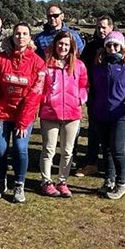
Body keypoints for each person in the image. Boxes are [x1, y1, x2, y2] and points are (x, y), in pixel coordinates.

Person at [0, 23, 47, 203]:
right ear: (12, 36)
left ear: (30, 38)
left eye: (25, 34)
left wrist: (23, 121)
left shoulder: (37, 62)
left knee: (20, 148)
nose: (21, 37)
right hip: (2, 114)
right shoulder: (0, 60)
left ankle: (19, 184)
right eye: (17, 33)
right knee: (0, 149)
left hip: (23, 115)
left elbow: (35, 94)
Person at [88, 31, 125, 200]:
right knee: (107, 149)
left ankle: (122, 182)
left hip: (124, 115)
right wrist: (93, 105)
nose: (112, 48)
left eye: (116, 45)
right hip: (102, 113)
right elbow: (92, 87)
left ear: (122, 46)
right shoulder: (99, 64)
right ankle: (109, 180)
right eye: (109, 45)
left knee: (118, 148)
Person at [38, 32, 88, 197]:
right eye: (60, 44)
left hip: (72, 113)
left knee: (67, 150)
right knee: (49, 149)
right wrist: (46, 99)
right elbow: (39, 86)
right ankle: (46, 181)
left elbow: (84, 85)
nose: (63, 47)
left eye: (66, 44)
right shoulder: (45, 64)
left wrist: (80, 98)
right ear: (55, 45)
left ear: (71, 47)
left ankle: (62, 181)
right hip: (50, 112)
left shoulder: (79, 65)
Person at [77, 15, 114, 177]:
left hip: (114, 97)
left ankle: (110, 165)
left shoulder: (118, 45)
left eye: (104, 27)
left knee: (112, 132)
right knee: (93, 131)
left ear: (111, 27)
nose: (101, 30)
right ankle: (91, 162)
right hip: (94, 96)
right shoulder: (91, 47)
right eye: (99, 27)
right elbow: (83, 70)